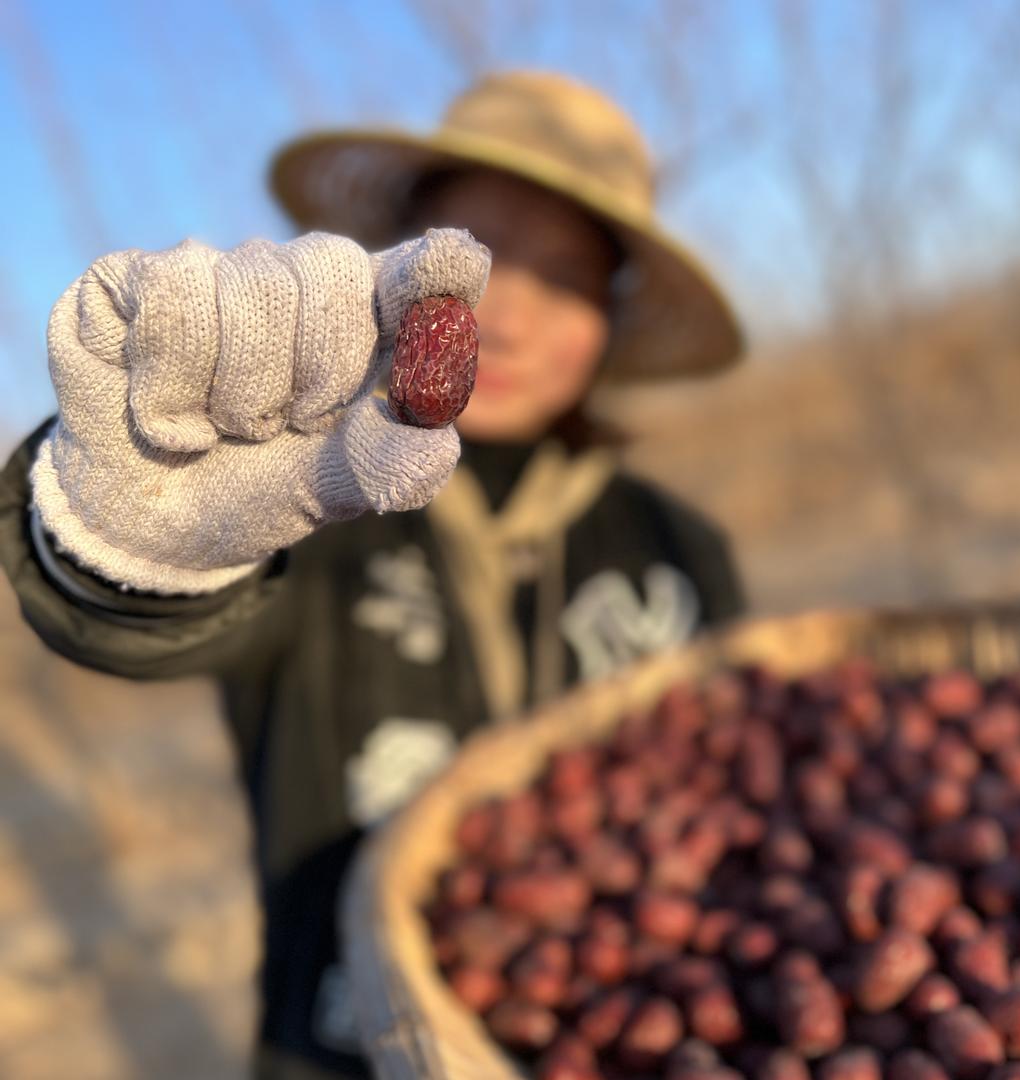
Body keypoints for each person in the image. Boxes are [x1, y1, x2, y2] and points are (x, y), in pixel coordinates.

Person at [0, 71, 746, 1078]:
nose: (512, 318)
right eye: (478, 264)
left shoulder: (674, 544)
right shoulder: (309, 502)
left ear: (610, 318)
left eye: (564, 276)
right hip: (342, 1040)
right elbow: (147, 616)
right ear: (407, 267)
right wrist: (125, 544)